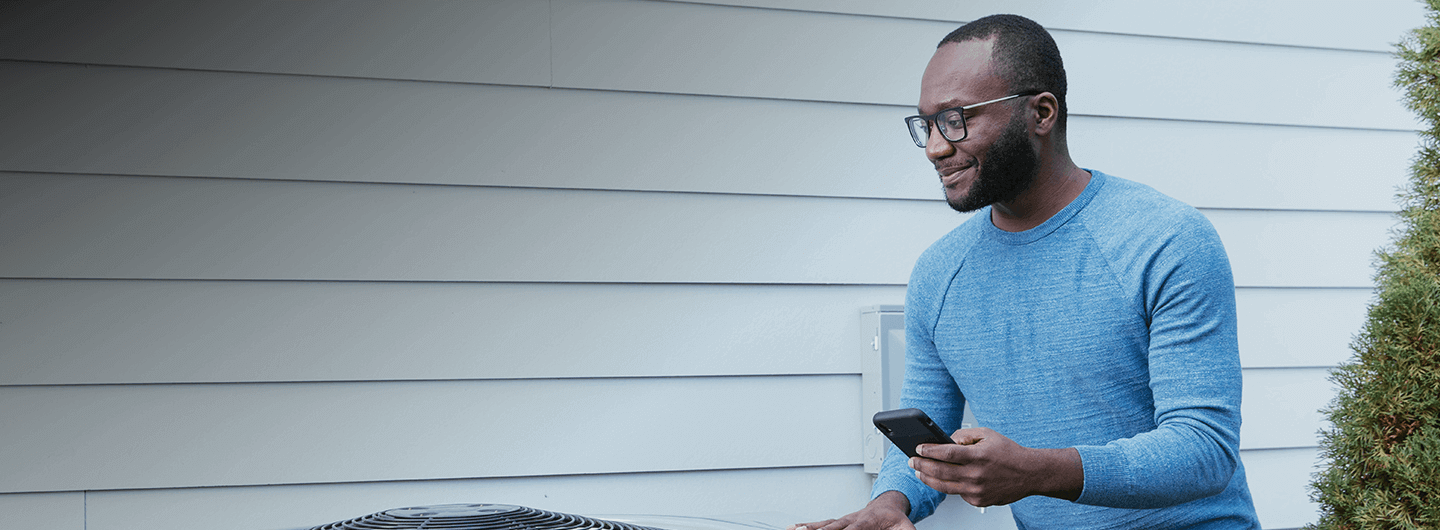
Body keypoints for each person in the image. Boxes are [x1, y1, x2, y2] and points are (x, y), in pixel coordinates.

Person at [792, 14, 1261, 529]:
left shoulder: (1165, 239)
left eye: (956, 118)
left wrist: (1034, 471)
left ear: (1041, 113)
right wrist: (889, 504)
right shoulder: (939, 273)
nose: (934, 147)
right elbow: (924, 442)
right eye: (926, 124)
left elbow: (1203, 449)